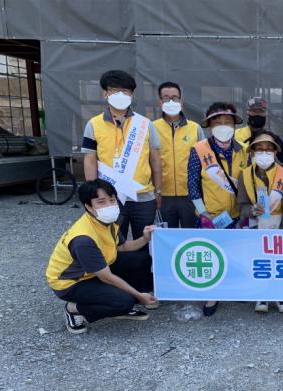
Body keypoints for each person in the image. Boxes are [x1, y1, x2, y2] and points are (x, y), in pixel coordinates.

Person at [46, 180, 158, 334]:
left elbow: (123, 247)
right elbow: (106, 277)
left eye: (112, 200)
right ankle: (73, 309)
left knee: (141, 259)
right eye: (101, 202)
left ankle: (121, 302)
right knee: (124, 302)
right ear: (88, 206)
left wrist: (145, 238)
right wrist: (137, 295)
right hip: (71, 282)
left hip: (94, 270)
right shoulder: (83, 239)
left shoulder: (107, 221)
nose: (109, 205)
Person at [82, 70, 163, 244]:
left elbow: (156, 160)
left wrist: (158, 190)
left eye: (125, 91)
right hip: (110, 197)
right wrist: (93, 193)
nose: (120, 95)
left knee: (147, 242)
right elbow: (90, 160)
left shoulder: (145, 124)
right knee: (113, 243)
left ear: (132, 95)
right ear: (105, 93)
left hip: (143, 196)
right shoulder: (93, 124)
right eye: (114, 90)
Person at [187, 102, 248, 316]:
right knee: (211, 254)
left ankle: (233, 288)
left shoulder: (243, 150)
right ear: (210, 125)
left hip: (236, 214)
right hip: (210, 216)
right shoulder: (199, 149)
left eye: (227, 122)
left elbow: (248, 182)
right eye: (218, 122)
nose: (223, 126)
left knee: (235, 252)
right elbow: (193, 184)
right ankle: (212, 294)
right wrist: (202, 213)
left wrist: (246, 211)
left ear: (234, 125)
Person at [237, 130, 283, 314]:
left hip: (279, 223)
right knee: (260, 261)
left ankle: (280, 296)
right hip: (257, 224)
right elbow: (241, 206)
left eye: (269, 150)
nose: (264, 153)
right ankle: (261, 296)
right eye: (259, 149)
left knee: (279, 261)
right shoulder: (244, 175)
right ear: (252, 152)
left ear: (275, 152)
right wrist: (252, 210)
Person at [152, 81, 206, 228]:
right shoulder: (152, 128)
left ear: (181, 101)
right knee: (167, 235)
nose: (171, 101)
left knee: (192, 234)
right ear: (160, 102)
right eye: (166, 98)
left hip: (191, 195)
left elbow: (204, 160)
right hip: (163, 196)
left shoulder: (195, 128)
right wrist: (155, 191)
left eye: (175, 98)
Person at [234, 96, 283, 165]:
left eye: (261, 111)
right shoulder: (235, 135)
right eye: (254, 111)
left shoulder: (273, 138)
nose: (258, 114)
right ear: (248, 113)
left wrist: (282, 171)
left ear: (265, 113)